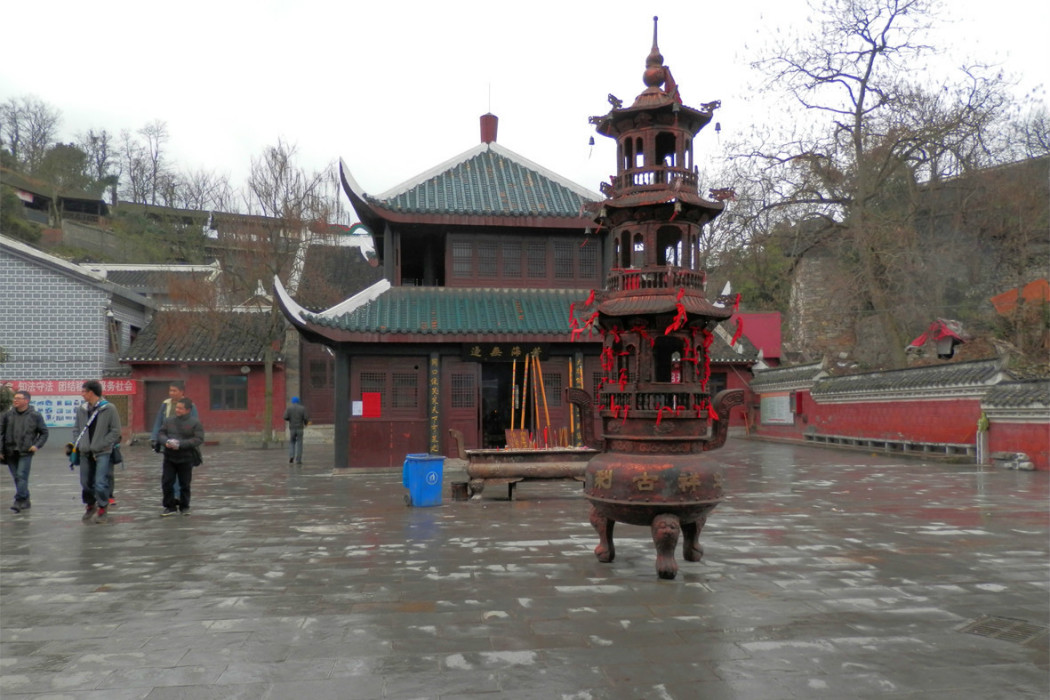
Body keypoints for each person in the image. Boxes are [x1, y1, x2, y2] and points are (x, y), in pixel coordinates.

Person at [73, 380, 121, 524]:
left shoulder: (109, 408)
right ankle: (90, 505)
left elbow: (116, 431)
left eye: (83, 391)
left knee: (100, 482)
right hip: (85, 451)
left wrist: (102, 443)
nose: (82, 394)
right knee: (85, 483)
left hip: (103, 452)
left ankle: (102, 507)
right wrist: (80, 443)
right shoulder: (81, 409)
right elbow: (76, 429)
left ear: (91, 393)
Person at [0, 390, 50, 513]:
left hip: (26, 451)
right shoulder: (7, 415)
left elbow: (44, 432)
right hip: (10, 451)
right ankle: (26, 499)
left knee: (22, 475)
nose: (15, 400)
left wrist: (36, 445)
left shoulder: (35, 416)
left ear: (26, 400)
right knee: (17, 477)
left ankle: (18, 500)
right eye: (14, 398)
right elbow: (1, 433)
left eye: (18, 398)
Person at [150, 381, 198, 508]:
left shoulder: (190, 405)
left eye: (174, 391)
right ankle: (172, 499)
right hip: (168, 443)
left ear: (182, 391)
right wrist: (155, 438)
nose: (171, 393)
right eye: (170, 390)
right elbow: (159, 421)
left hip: (184, 445)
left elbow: (195, 425)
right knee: (169, 475)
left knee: (183, 476)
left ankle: (179, 497)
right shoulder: (166, 404)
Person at [158, 397, 204, 516]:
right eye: (177, 407)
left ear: (188, 410)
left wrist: (181, 444)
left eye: (180, 408)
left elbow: (198, 439)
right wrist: (166, 442)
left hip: (186, 457)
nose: (177, 410)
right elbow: (161, 433)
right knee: (167, 482)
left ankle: (184, 506)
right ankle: (170, 506)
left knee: (185, 483)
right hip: (169, 457)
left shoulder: (195, 423)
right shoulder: (169, 421)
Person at [283, 397, 310, 465]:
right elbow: (306, 418)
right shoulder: (302, 408)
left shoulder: (289, 408)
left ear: (292, 401)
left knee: (292, 442)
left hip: (292, 428)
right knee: (299, 444)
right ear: (298, 401)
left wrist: (290, 419)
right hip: (300, 428)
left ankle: (291, 456)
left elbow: (285, 417)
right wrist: (305, 423)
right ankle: (298, 459)